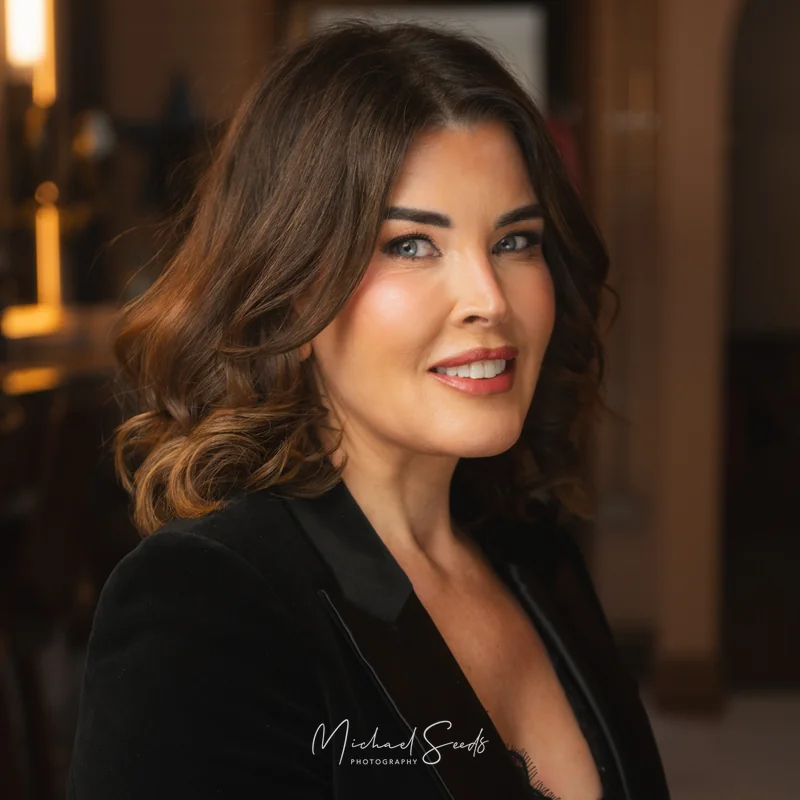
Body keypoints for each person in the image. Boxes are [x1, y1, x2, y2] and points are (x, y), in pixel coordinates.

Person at [67, 20, 670, 800]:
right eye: (412, 246)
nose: (489, 299)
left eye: (516, 241)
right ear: (292, 281)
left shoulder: (532, 551)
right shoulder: (204, 607)